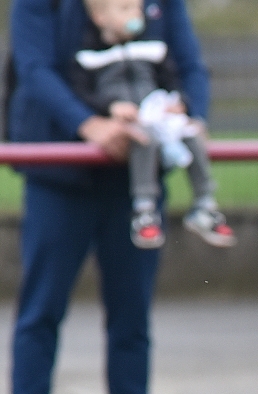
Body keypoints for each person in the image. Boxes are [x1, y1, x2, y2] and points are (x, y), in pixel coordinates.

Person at [7, 0, 210, 394]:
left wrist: (189, 115)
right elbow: (35, 69)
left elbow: (190, 65)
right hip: (59, 176)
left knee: (132, 312)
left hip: (136, 181)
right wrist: (89, 125)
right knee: (42, 309)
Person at [70, 0, 235, 250]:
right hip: (132, 126)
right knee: (145, 140)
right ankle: (144, 209)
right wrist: (110, 108)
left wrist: (180, 102)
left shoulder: (153, 49)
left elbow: (173, 78)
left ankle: (205, 204)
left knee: (192, 135)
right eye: (125, 9)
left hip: (157, 116)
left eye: (137, 8)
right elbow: (83, 92)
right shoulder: (89, 56)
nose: (135, 15)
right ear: (99, 17)